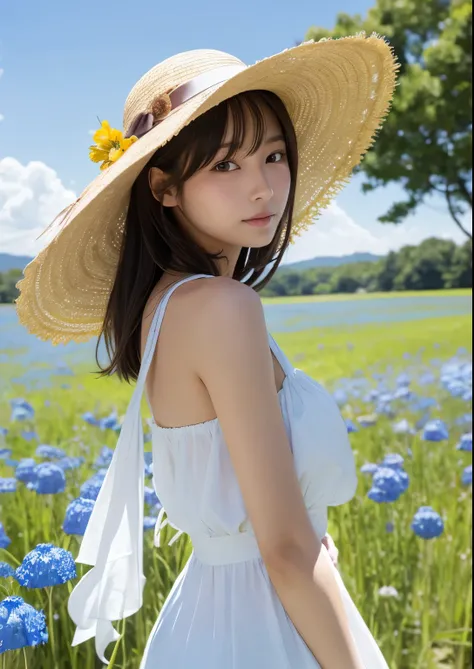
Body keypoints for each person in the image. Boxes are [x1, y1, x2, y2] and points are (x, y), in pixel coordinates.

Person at [15, 38, 399, 668]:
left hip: (213, 617)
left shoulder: (169, 306)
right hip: (266, 622)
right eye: (226, 166)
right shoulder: (222, 308)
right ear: (164, 188)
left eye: (274, 156)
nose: (263, 188)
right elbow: (283, 547)